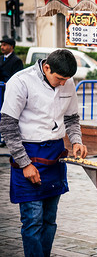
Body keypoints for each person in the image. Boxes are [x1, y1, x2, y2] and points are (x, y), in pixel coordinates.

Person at [0, 49, 88, 257]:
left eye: (67, 79)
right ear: (46, 67)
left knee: (49, 219)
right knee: (33, 220)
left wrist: (76, 141)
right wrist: (25, 164)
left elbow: (72, 118)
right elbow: (8, 125)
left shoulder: (67, 82)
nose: (63, 83)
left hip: (55, 155)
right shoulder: (20, 81)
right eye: (59, 79)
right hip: (28, 152)